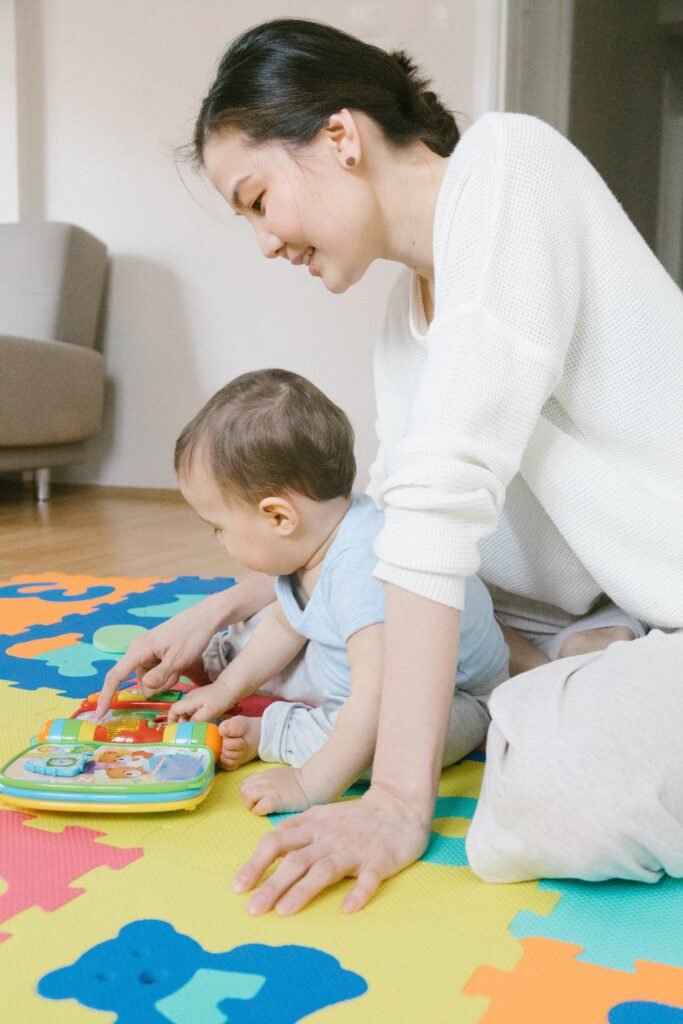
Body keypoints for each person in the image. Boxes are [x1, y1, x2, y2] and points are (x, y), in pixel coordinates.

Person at [100, 18, 683, 915]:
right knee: (285, 646)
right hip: (582, 611)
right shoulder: (399, 323)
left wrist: (396, 805)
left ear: (339, 137)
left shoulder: (507, 168)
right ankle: (550, 673)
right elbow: (379, 526)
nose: (263, 241)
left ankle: (546, 687)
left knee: (562, 787)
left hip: (655, 603)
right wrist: (221, 605)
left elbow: (438, 512)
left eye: (257, 199)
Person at [100, 368, 510, 815]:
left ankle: (274, 733)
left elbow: (376, 699)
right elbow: (284, 624)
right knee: (266, 628)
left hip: (453, 696)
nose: (217, 539)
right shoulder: (316, 541)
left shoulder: (362, 571)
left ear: (279, 517)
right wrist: (226, 691)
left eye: (218, 527)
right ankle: (225, 659)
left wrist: (308, 782)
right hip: (357, 663)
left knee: (383, 739)